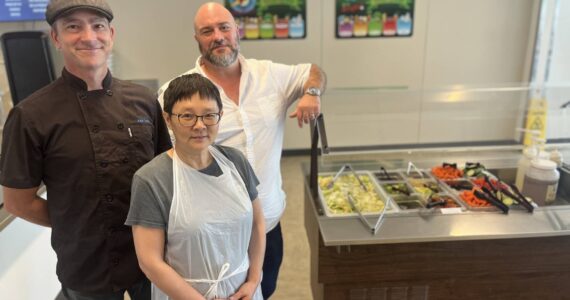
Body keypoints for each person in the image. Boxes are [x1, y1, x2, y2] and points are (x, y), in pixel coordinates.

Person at [0, 0, 172, 299]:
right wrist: (76, 221)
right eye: (73, 27)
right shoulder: (30, 115)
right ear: (56, 38)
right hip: (87, 265)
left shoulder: (143, 100)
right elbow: (17, 202)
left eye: (98, 25)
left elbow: (165, 175)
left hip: (153, 258)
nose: (89, 36)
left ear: (111, 34)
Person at [157, 3, 326, 297]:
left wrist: (311, 93)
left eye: (224, 27)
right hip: (216, 232)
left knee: (265, 288)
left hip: (268, 223)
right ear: (197, 39)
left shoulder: (270, 75)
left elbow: (314, 71)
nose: (218, 36)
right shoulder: (176, 93)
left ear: (238, 31)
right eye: (207, 31)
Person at [126, 73, 265, 300]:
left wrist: (253, 280)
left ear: (220, 116)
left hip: (242, 292)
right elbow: (150, 262)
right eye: (187, 116)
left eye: (209, 115)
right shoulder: (151, 179)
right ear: (168, 119)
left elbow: (258, 224)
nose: (200, 125)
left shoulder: (236, 162)